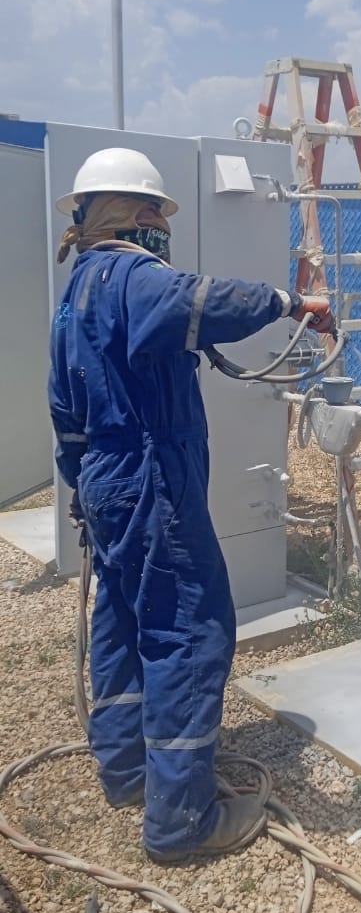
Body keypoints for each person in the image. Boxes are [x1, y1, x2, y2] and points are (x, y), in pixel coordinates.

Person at [48, 147, 333, 864]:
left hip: (105, 480)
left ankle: (127, 772)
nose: (163, 227)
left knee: (121, 618)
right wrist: (291, 303)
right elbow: (202, 301)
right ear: (138, 214)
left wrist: (83, 488)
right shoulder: (135, 277)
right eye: (157, 213)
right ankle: (182, 822)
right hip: (150, 478)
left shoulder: (77, 289)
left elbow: (65, 412)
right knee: (187, 632)